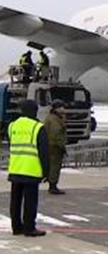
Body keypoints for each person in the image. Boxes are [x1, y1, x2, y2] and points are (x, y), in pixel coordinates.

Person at [8, 100, 49, 237]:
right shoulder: (37, 127)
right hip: (31, 170)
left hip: (15, 168)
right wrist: (46, 171)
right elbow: (44, 152)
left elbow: (11, 144)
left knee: (15, 200)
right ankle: (29, 227)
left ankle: (16, 227)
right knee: (30, 201)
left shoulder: (12, 126)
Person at [44, 100, 68, 195]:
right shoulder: (54, 119)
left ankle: (52, 184)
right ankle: (53, 185)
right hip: (54, 146)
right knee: (55, 166)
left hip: (52, 145)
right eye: (62, 107)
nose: (64, 109)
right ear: (57, 108)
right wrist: (61, 145)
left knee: (54, 165)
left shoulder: (54, 117)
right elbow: (56, 133)